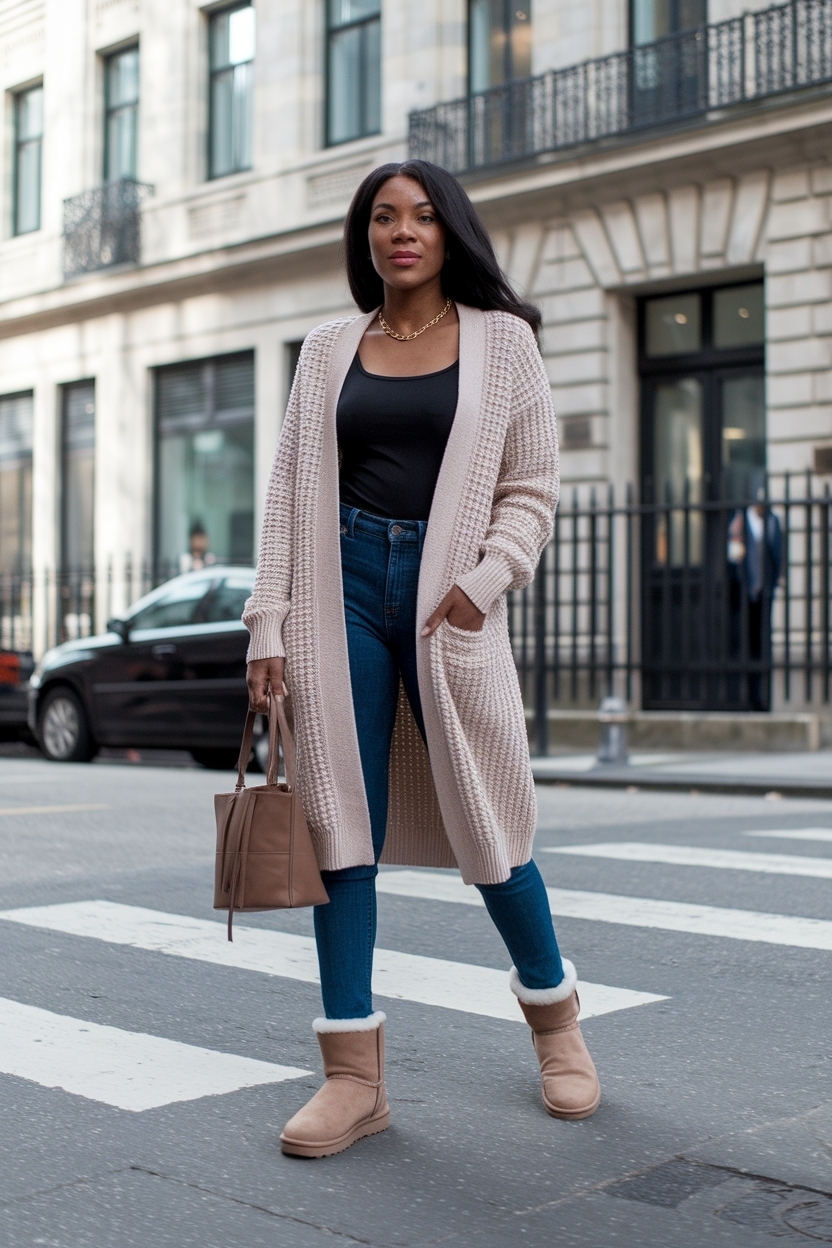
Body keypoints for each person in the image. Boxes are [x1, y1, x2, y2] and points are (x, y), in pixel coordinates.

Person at [244, 159, 600, 1160]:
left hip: (450, 603)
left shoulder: (505, 345)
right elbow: (285, 496)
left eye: (424, 216)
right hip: (337, 589)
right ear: (364, 237)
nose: (403, 231)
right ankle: (353, 1078)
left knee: (491, 816)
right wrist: (266, 620)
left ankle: (555, 1023)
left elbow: (531, 487)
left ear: (452, 234)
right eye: (384, 217)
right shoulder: (325, 351)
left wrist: (485, 579)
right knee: (335, 821)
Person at [727, 479, 782, 710]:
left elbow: (778, 555)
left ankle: (765, 697)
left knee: (764, 644)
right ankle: (747, 696)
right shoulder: (739, 522)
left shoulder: (773, 521)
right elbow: (733, 556)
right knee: (746, 644)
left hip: (766, 593)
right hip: (743, 595)